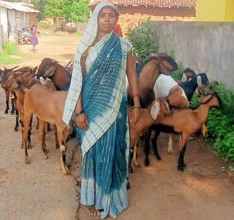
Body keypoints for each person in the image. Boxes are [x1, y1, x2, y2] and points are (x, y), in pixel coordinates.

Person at [62, 2, 140, 219]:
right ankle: (92, 199)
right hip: (90, 108)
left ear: (116, 19)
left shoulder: (124, 47)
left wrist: (136, 103)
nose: (107, 19)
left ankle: (111, 197)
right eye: (102, 15)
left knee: (113, 151)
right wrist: (78, 112)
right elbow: (78, 81)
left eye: (111, 15)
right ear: (95, 19)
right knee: (93, 152)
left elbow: (132, 75)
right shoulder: (85, 48)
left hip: (116, 109)